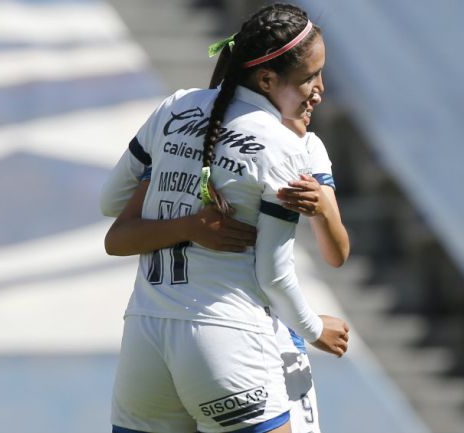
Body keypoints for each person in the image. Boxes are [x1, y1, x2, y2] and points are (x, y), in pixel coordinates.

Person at [100, 4, 349, 433]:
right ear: (267, 79)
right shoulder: (281, 144)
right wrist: (313, 330)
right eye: (309, 76)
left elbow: (111, 204)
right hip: (226, 338)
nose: (319, 89)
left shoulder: (176, 108)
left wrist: (179, 212)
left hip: (144, 338)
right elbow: (273, 275)